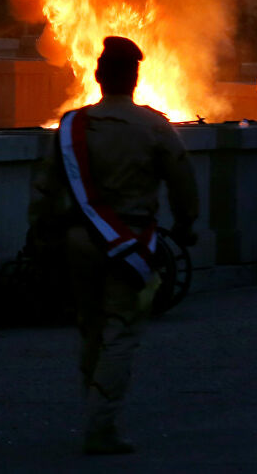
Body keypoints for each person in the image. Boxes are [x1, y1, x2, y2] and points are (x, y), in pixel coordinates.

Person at [29, 37, 200, 455]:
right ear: (135, 77)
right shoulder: (155, 126)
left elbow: (44, 189)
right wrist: (186, 224)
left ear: (98, 76)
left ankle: (93, 407)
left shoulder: (71, 126)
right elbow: (183, 180)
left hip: (79, 241)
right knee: (120, 331)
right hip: (131, 242)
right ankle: (101, 425)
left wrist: (39, 234)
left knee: (89, 326)